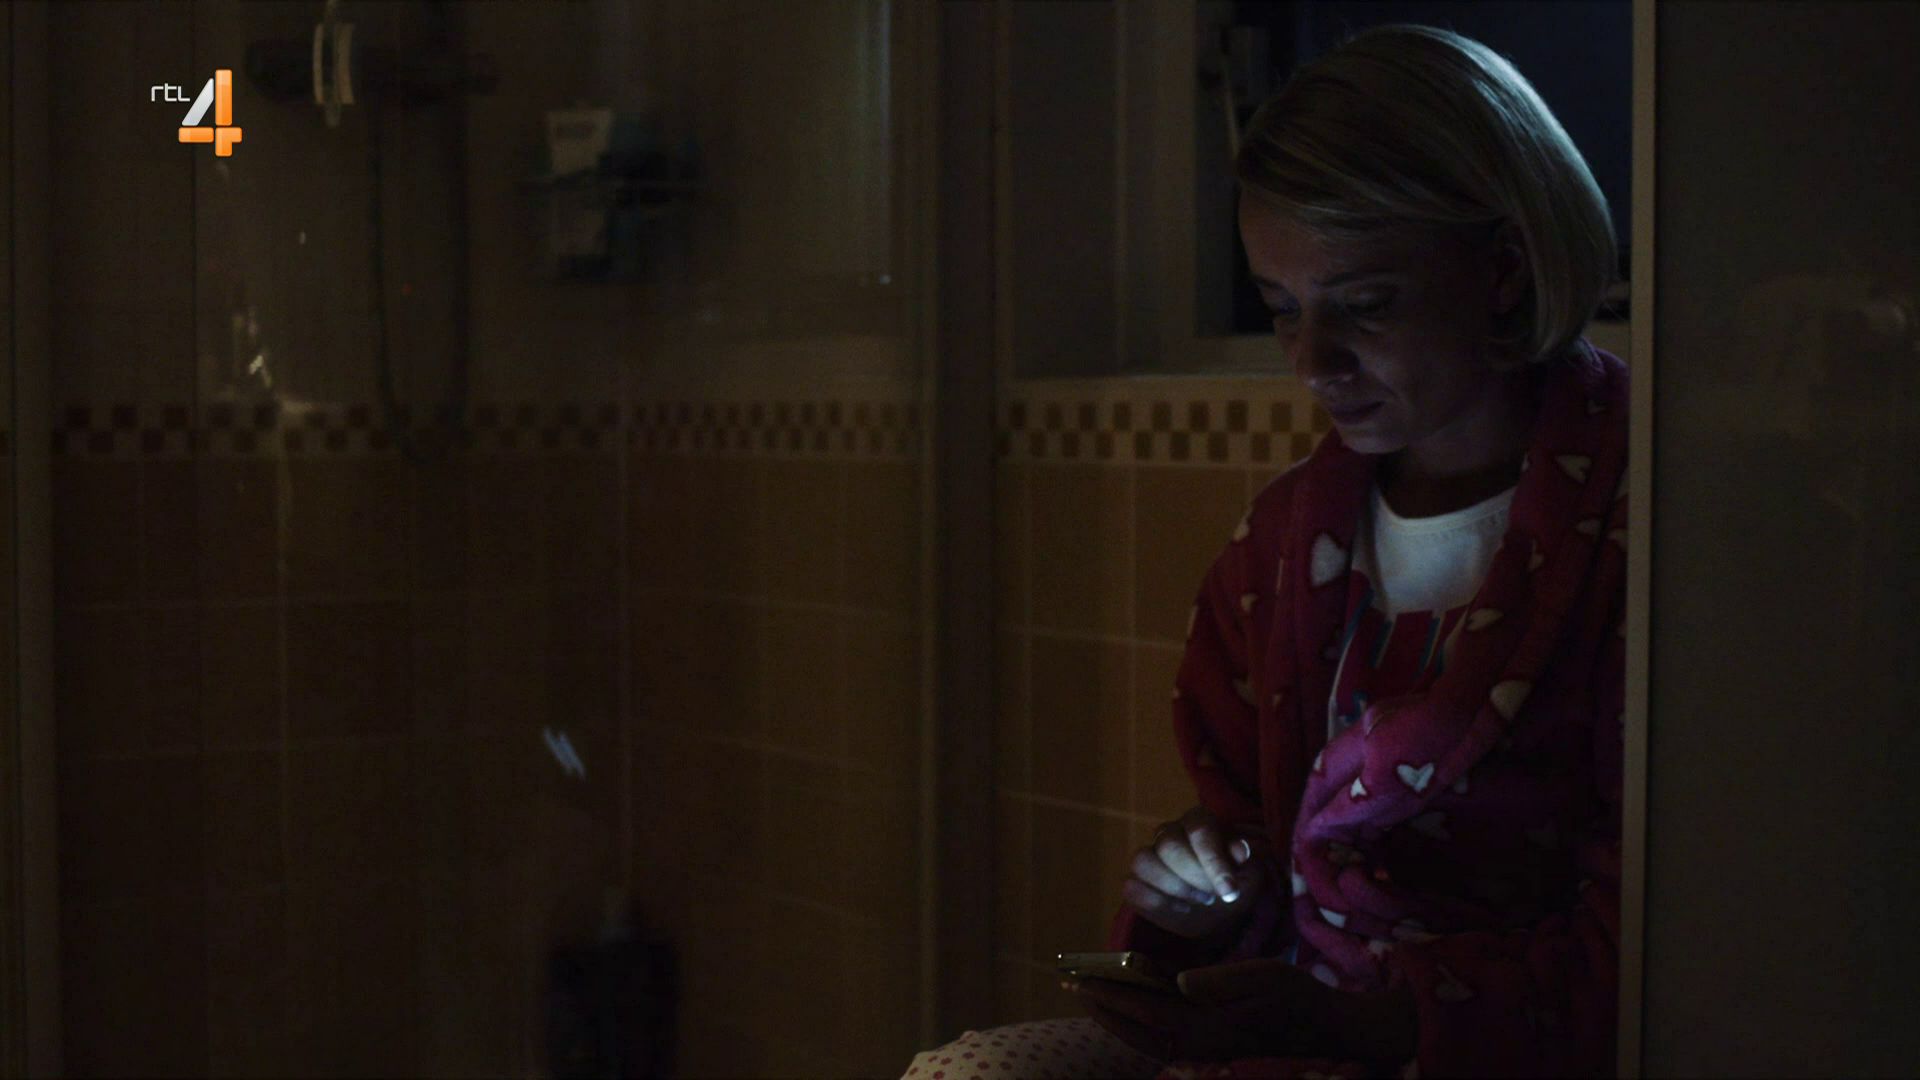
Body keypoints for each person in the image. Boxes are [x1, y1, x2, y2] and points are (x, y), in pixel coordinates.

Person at [904, 22, 1625, 1080]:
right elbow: (1255, 824)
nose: (1314, 363)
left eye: (1365, 305)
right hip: (1297, 1014)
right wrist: (1207, 884)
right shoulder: (1285, 546)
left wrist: (1365, 1029)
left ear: (1505, 271)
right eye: (1282, 311)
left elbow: (1659, 938)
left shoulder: (1642, 534)